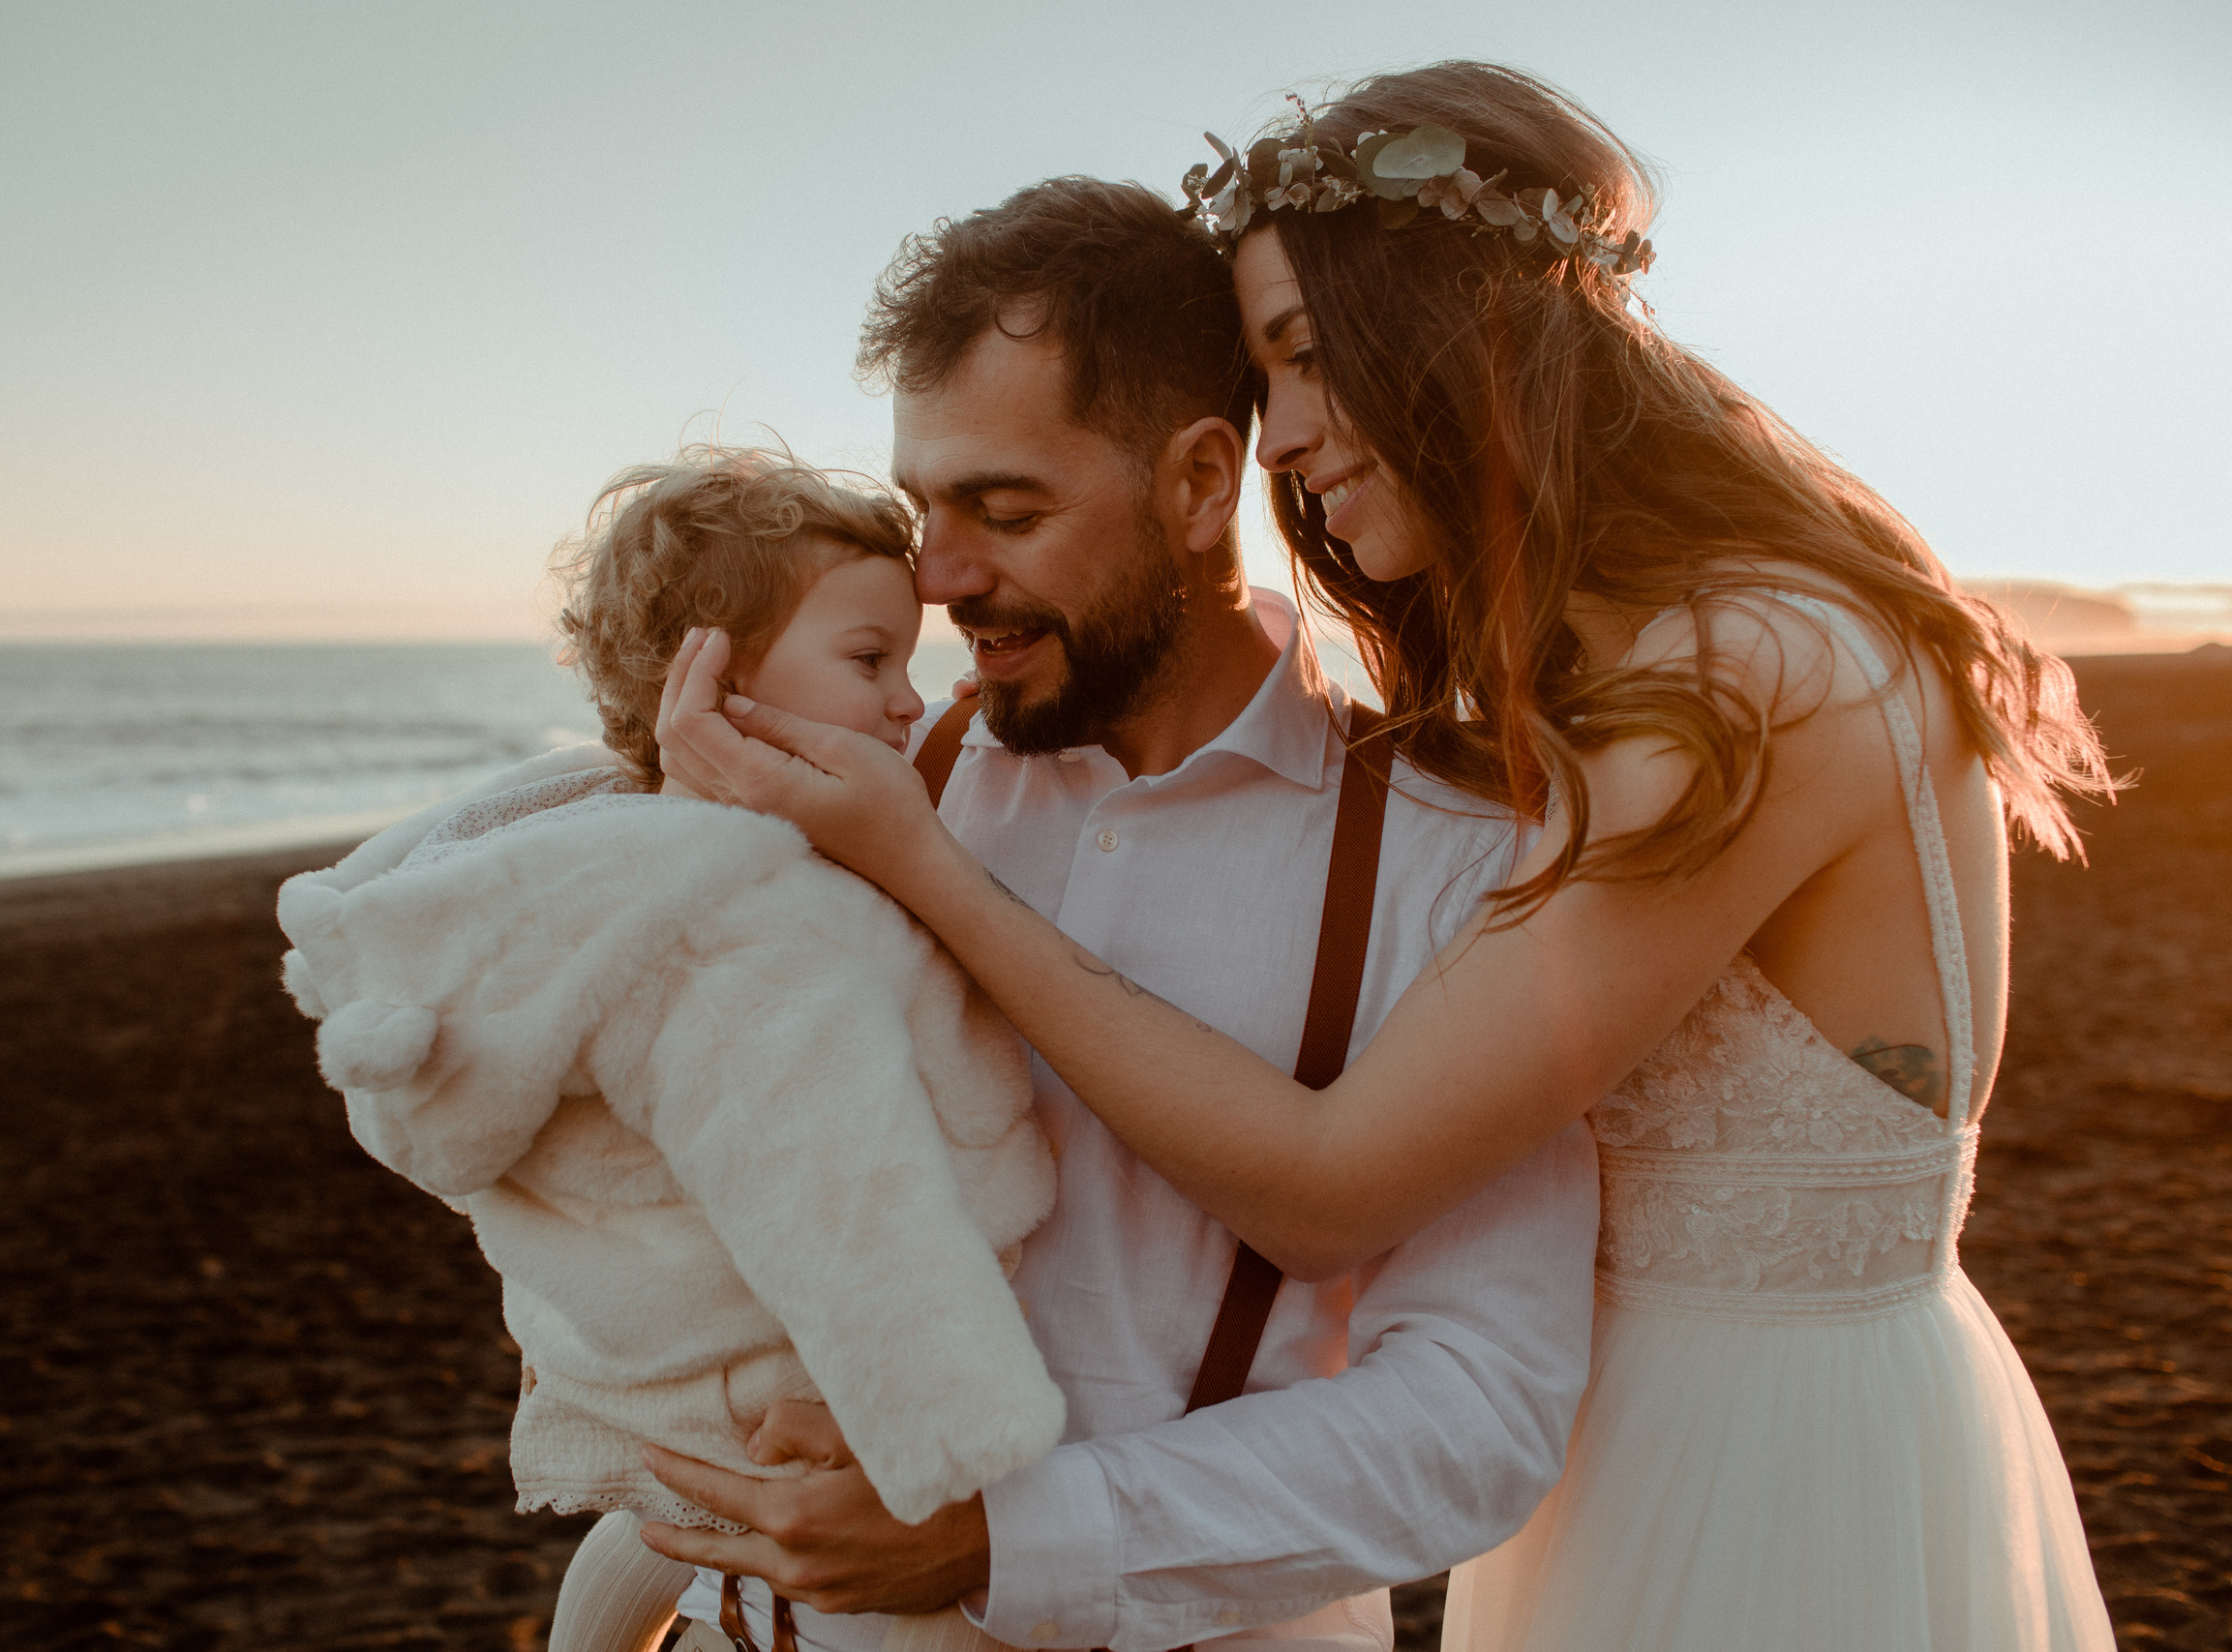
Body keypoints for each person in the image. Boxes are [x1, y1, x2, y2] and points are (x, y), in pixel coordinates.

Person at [653, 64, 2119, 1652]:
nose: (1284, 434)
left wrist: (928, 876)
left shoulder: (1716, 695)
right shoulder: (1577, 713)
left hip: (1770, 1467)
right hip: (1627, 1470)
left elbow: (1346, 1195)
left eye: (1305, 353)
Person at [635, 176, 1600, 1652]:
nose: (940, 576)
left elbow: (1478, 1408)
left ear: (1203, 482)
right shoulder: (870, 773)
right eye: (924, 510)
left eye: (1006, 511)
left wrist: (1009, 1537)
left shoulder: (1453, 850)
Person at [273, 449, 1064, 1652]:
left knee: (671, 1526)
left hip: (657, 1373)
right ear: (715, 677)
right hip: (802, 1382)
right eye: (869, 661)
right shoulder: (745, 921)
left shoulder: (600, 855)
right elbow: (839, 1195)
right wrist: (964, 1451)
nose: (913, 702)